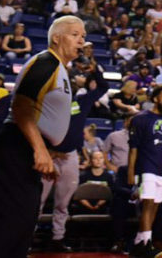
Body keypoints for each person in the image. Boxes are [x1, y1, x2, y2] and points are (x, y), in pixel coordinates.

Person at [0, 15, 84, 258]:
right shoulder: (46, 61)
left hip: (27, 147)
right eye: (75, 34)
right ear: (56, 38)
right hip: (17, 144)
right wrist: (39, 149)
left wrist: (44, 150)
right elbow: (22, 106)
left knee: (24, 223)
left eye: (84, 37)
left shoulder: (59, 68)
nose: (82, 41)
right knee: (11, 221)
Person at [40, 69, 108, 252]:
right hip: (48, 155)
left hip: (70, 156)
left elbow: (103, 87)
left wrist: (95, 69)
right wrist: (46, 151)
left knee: (63, 202)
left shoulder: (81, 102)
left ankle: (57, 238)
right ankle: (26, 237)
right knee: (37, 200)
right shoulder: (46, 104)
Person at [128, 85, 162, 258]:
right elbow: (133, 149)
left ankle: (138, 244)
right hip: (146, 168)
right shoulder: (140, 118)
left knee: (155, 206)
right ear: (155, 99)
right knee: (147, 205)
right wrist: (131, 174)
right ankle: (147, 243)